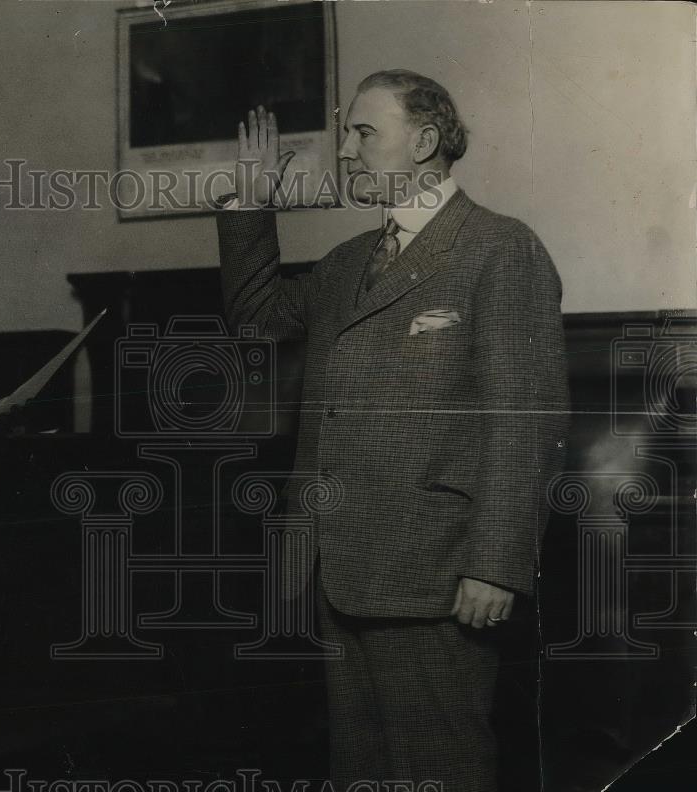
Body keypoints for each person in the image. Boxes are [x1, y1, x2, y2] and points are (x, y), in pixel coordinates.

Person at [215, 70, 569, 792]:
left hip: (436, 576)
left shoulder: (500, 249)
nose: (345, 150)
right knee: (364, 773)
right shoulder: (348, 262)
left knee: (439, 766)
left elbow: (523, 419)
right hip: (336, 569)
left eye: (364, 132)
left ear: (427, 141)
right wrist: (251, 202)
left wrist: (495, 564)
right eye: (347, 133)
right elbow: (256, 319)